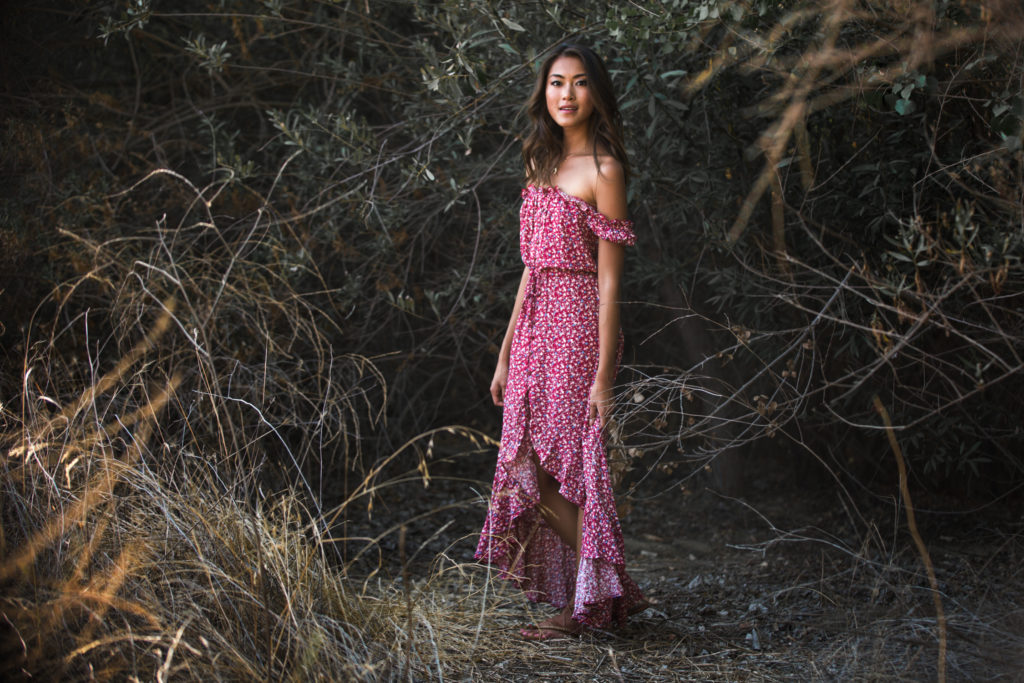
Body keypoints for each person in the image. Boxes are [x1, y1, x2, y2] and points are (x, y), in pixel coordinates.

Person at [474, 42, 647, 640]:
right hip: (533, 330)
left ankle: (597, 598)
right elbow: (531, 268)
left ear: (596, 93)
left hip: (578, 329)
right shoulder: (538, 164)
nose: (566, 95)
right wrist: (503, 353)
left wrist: (603, 375)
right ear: (542, 92)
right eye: (555, 82)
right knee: (526, 467)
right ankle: (609, 591)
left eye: (577, 83)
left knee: (564, 470)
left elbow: (609, 283)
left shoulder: (605, 171)